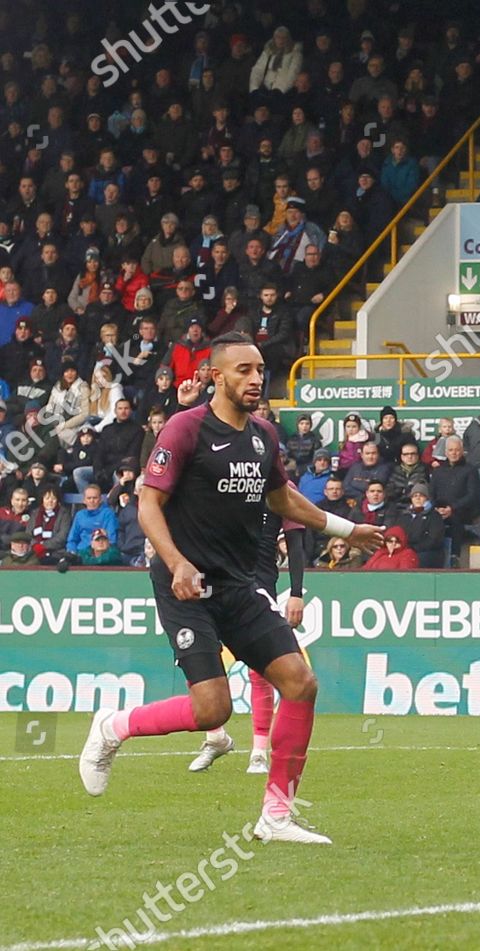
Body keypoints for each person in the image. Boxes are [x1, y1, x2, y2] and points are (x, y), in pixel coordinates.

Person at [79, 331, 382, 845]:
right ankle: (113, 727)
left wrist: (346, 529)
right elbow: (147, 503)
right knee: (212, 711)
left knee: (301, 683)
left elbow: (283, 500)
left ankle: (277, 815)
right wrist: (175, 563)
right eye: (243, 370)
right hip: (184, 584)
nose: (256, 378)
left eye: (260, 369)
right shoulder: (184, 429)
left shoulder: (264, 434)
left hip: (239, 585)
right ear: (214, 377)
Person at [189, 502, 308, 775]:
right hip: (217, 582)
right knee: (198, 657)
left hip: (258, 586)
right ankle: (216, 737)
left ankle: (258, 752)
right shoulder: (225, 477)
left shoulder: (281, 488)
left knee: (260, 671)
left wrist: (297, 592)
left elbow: (295, 541)